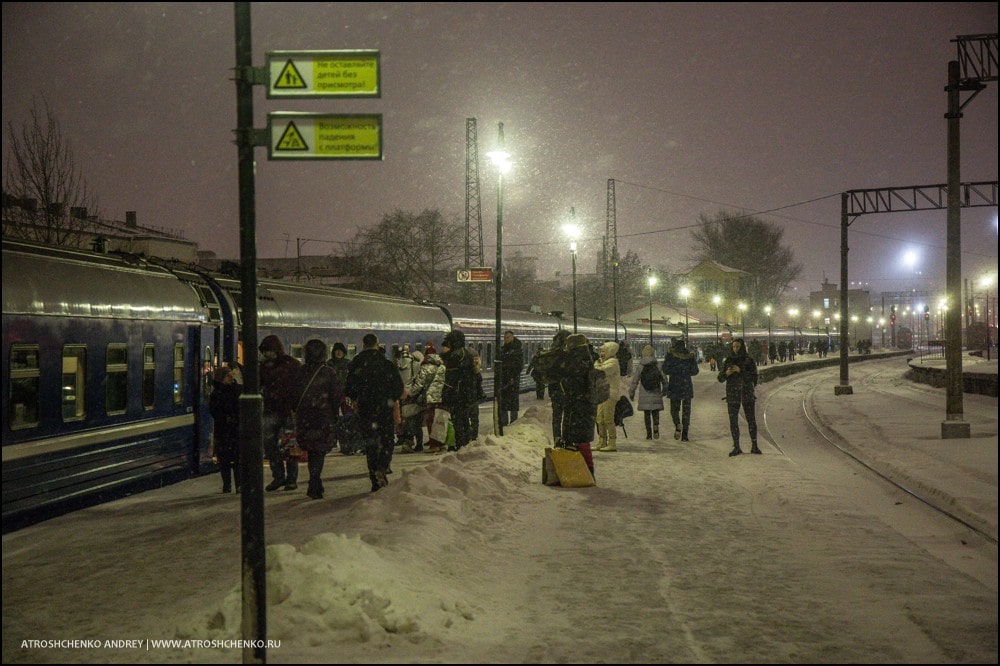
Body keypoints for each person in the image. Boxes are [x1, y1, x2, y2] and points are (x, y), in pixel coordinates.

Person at [344, 333, 404, 492]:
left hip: (365, 409)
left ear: (363, 345)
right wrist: (391, 398)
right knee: (387, 440)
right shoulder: (386, 363)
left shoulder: (356, 364)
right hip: (384, 408)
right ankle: (382, 467)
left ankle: (375, 478)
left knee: (370, 444)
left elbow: (348, 388)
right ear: (377, 345)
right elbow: (398, 387)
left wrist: (359, 397)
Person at [295, 339, 339, 499]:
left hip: (305, 416)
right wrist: (334, 414)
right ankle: (314, 480)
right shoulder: (329, 372)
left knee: (312, 449)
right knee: (318, 450)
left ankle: (314, 480)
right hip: (323, 416)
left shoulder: (300, 372)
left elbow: (293, 394)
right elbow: (335, 396)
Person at [259, 334, 302, 491]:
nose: (265, 354)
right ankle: (279, 477)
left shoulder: (289, 365)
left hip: (287, 410)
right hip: (274, 409)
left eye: (267, 351)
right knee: (272, 446)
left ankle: (289, 478)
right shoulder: (289, 364)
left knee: (289, 445)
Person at [559, 333, 598, 479]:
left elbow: (572, 382)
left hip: (578, 405)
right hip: (584, 405)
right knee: (582, 440)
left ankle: (583, 473)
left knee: (578, 440)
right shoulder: (586, 357)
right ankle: (587, 472)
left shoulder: (576, 359)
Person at [718, 337, 760, 456]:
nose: (735, 349)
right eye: (734, 347)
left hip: (746, 393)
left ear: (742, 347)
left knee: (751, 419)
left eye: (737, 347)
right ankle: (736, 446)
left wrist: (740, 370)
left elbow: (754, 377)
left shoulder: (749, 361)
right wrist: (726, 373)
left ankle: (754, 445)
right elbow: (720, 378)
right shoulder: (728, 361)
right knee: (733, 421)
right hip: (732, 394)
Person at [440, 330, 478, 451]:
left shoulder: (456, 355)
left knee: (458, 422)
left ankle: (461, 445)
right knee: (464, 421)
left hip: (457, 395)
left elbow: (451, 378)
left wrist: (446, 393)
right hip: (466, 394)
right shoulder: (465, 353)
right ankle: (464, 444)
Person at [208, 361, 242, 493]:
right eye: (228, 376)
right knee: (225, 460)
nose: (231, 378)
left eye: (231, 375)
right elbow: (214, 411)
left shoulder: (237, 390)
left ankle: (238, 485)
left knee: (236, 459)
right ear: (221, 378)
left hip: (233, 429)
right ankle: (227, 484)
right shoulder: (216, 393)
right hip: (224, 430)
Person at [662, 338, 699, 442]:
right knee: (686, 411)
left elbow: (665, 369)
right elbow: (695, 371)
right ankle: (685, 435)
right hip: (686, 385)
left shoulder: (671, 355)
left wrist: (674, 371)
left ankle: (677, 423)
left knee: (674, 409)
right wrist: (686, 372)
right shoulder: (690, 356)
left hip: (674, 385)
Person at [411, 346, 446, 452]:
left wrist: (411, 393)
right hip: (441, 397)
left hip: (430, 397)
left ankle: (434, 445)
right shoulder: (442, 366)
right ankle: (441, 443)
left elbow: (419, 384)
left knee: (431, 421)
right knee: (440, 421)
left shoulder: (425, 367)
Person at [628, 345, 665, 440]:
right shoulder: (657, 365)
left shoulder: (640, 366)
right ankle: (656, 427)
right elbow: (664, 378)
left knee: (647, 413)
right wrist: (665, 388)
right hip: (656, 391)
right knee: (655, 411)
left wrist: (631, 392)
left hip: (645, 391)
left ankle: (649, 433)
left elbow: (635, 380)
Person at [594, 340, 622, 452]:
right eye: (601, 351)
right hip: (602, 393)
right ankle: (601, 441)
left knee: (608, 419)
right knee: (599, 419)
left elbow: (600, 371)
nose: (601, 353)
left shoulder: (613, 362)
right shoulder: (604, 361)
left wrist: (596, 363)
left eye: (604, 351)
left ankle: (612, 442)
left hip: (610, 394)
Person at [398, 350, 427, 453]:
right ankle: (417, 444)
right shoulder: (416, 365)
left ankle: (407, 441)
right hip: (414, 397)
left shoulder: (399, 364)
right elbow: (420, 381)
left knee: (407, 420)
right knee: (417, 421)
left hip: (403, 397)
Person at [545, 330, 570, 447]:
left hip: (554, 389)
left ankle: (557, 438)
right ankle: (565, 439)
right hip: (565, 389)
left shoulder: (552, 353)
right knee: (568, 416)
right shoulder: (566, 354)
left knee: (557, 416)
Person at [325, 342, 350, 451]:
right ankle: (333, 440)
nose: (338, 352)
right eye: (336, 350)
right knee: (333, 418)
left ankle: (345, 440)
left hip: (344, 394)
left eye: (340, 350)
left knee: (346, 418)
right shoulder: (329, 364)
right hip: (333, 395)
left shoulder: (348, 364)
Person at [498, 330, 524, 426]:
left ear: (512, 337)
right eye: (505, 337)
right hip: (504, 380)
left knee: (512, 404)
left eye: (508, 337)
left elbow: (519, 365)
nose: (506, 339)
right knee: (504, 404)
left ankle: (513, 423)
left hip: (512, 381)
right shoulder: (503, 349)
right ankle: (504, 424)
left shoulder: (517, 350)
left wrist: (513, 376)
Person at [467, 345, 486, 439]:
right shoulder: (475, 372)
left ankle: (470, 435)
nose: (475, 361)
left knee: (470, 418)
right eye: (473, 359)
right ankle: (473, 436)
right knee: (474, 418)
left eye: (476, 359)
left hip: (469, 397)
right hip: (472, 397)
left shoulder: (471, 371)